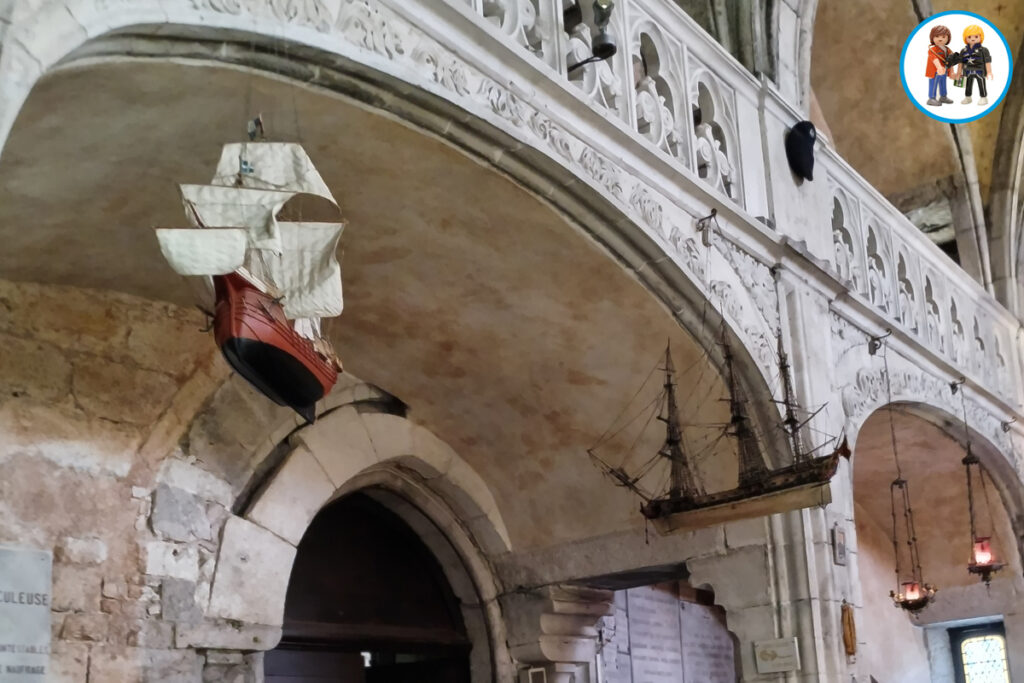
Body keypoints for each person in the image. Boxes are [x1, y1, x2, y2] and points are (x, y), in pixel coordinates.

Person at [954, 24, 993, 105]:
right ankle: (968, 97)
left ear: (980, 37)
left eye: (976, 37)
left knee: (981, 83)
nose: (972, 39)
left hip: (979, 70)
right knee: (968, 84)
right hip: (967, 71)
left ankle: (983, 97)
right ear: (965, 38)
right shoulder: (964, 50)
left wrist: (989, 72)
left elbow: (987, 61)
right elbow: (960, 62)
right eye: (969, 37)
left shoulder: (983, 50)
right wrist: (958, 73)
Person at [925, 25, 953, 106]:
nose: (940, 39)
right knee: (933, 83)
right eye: (937, 36)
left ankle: (943, 96)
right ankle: (931, 98)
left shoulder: (947, 50)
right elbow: (934, 59)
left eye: (943, 37)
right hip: (935, 71)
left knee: (943, 83)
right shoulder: (932, 50)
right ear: (932, 38)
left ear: (948, 38)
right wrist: (939, 67)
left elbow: (951, 60)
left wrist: (952, 71)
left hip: (944, 70)